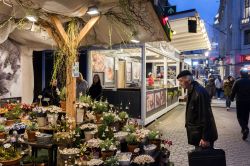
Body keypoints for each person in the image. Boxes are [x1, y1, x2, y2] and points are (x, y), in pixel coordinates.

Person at [177, 70, 218, 148]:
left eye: (181, 81)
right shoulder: (192, 91)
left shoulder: (198, 92)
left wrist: (205, 137)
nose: (180, 84)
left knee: (204, 158)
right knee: (199, 157)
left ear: (188, 80)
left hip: (202, 137)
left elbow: (206, 115)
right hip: (198, 134)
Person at [230, 69, 250, 140]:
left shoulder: (237, 81)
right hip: (248, 101)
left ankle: (245, 128)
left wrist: (231, 98)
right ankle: (244, 128)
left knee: (239, 116)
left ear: (240, 74)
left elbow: (233, 91)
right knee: (246, 115)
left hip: (240, 101)